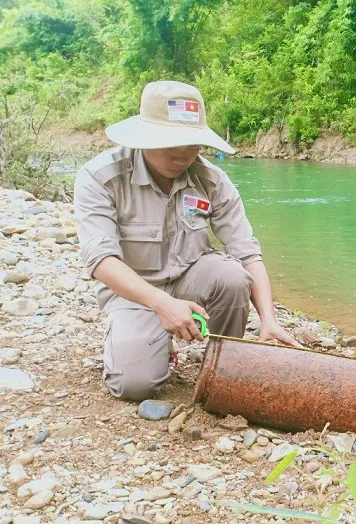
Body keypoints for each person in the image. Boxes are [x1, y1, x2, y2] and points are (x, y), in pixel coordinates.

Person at [74, 80, 300, 401]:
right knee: (134, 386)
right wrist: (161, 304)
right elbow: (101, 261)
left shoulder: (211, 180)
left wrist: (269, 318)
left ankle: (223, 362)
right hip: (135, 292)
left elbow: (247, 251)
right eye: (171, 145)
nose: (182, 158)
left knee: (233, 277)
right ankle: (152, 343)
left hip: (192, 277)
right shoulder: (101, 177)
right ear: (144, 137)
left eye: (192, 146)